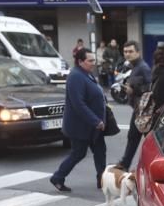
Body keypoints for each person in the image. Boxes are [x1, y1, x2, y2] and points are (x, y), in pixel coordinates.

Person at [49, 48, 107, 192]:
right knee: (78, 153)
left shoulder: (86, 74)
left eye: (94, 60)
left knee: (100, 150)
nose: (94, 63)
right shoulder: (75, 76)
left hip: (93, 125)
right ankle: (58, 177)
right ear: (80, 61)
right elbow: (78, 104)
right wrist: (96, 121)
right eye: (90, 61)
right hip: (82, 125)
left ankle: (102, 180)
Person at [113, 40, 152, 171]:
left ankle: (130, 165)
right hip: (138, 109)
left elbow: (150, 88)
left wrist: (134, 91)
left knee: (149, 141)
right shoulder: (134, 66)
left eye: (130, 51)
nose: (127, 54)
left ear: (138, 52)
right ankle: (125, 163)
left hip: (144, 111)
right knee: (133, 137)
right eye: (125, 52)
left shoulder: (143, 68)